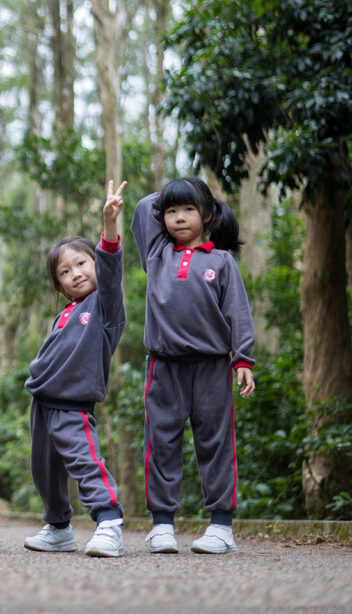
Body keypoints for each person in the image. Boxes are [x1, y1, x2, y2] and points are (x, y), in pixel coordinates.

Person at [131, 176, 255, 555]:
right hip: (164, 366)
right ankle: (162, 525)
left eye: (189, 209)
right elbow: (143, 208)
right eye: (171, 211)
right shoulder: (156, 254)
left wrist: (243, 358)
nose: (179, 217)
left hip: (212, 366)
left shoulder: (221, 261)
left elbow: (238, 312)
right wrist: (175, 190)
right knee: (161, 443)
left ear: (208, 214)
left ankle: (221, 527)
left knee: (215, 444)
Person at [22, 180, 128, 558]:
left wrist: (109, 225)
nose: (76, 273)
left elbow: (111, 269)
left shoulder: (105, 307)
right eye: (65, 272)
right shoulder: (65, 314)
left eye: (82, 263)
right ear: (61, 286)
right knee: (45, 469)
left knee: (85, 461)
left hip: (73, 403)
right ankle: (58, 527)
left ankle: (109, 521)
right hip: (43, 401)